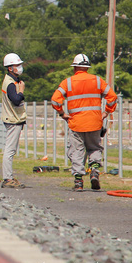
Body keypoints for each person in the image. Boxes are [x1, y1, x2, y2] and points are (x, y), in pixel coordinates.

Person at [51, 54, 117, 191]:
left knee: (77, 151)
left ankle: (78, 182)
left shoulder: (67, 83)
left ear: (75, 67)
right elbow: (112, 97)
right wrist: (106, 112)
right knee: (94, 148)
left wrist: (62, 114)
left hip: (76, 124)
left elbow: (55, 100)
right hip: (95, 123)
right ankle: (94, 172)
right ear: (87, 68)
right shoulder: (98, 81)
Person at [0, 53, 27, 189]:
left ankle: (9, 177)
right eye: (17, 65)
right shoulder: (10, 83)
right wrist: (21, 91)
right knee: (10, 150)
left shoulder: (12, 81)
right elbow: (16, 100)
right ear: (10, 68)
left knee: (10, 150)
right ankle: (7, 178)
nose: (20, 67)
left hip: (13, 118)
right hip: (13, 119)